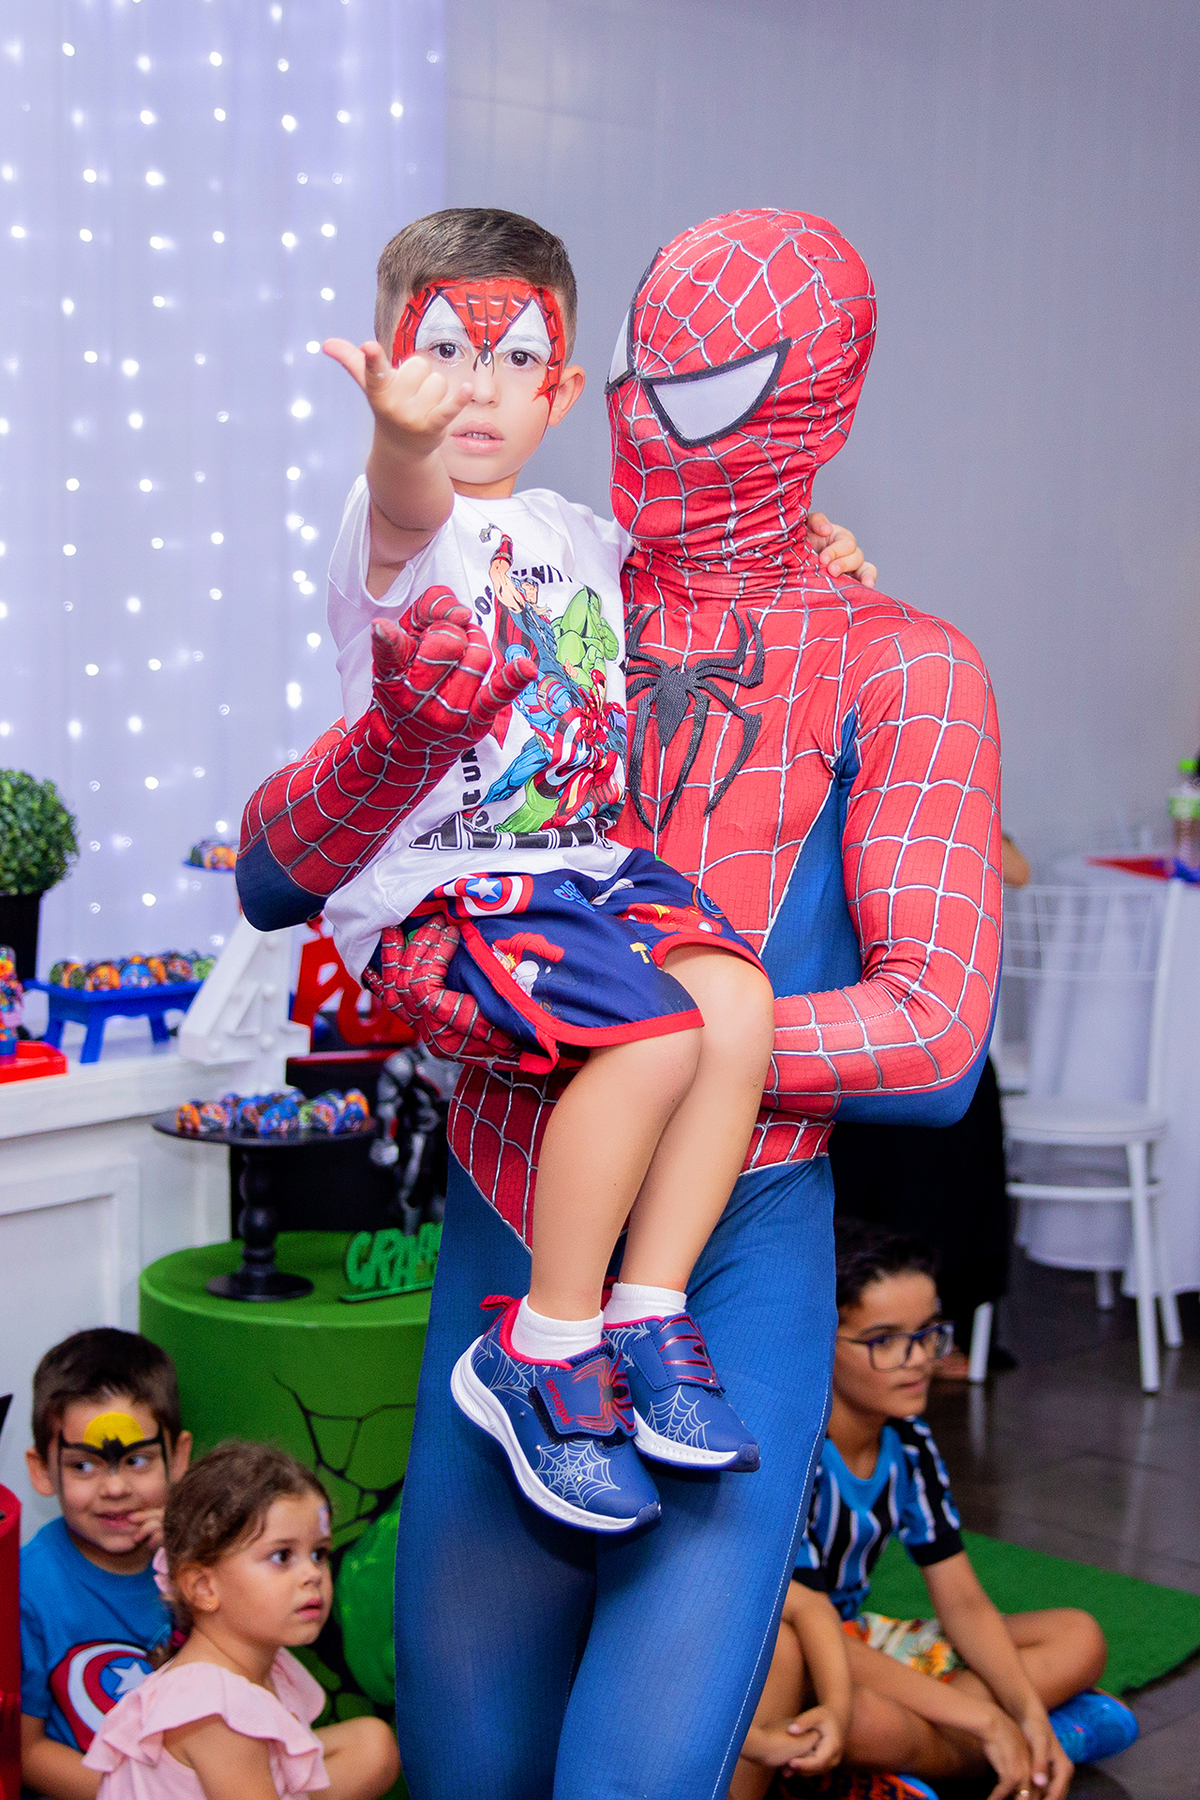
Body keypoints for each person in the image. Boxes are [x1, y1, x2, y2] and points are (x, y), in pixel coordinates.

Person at [238, 208, 1002, 1800]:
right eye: (645, 378)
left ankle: (612, 1313)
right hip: (504, 1242)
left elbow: (931, 1040)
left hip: (736, 1261)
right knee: (469, 1761)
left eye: (707, 392)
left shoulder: (899, 659)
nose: (654, 420)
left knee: (634, 1775)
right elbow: (272, 864)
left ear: (809, 404)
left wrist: (609, 1036)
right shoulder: (549, 559)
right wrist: (399, 761)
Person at [308, 209, 791, 1528]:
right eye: (444, 350)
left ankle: (647, 1312)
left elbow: (713, 570)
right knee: (648, 1042)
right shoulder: (390, 527)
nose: (476, 385)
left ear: (562, 387)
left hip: (583, 866)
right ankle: (541, 1345)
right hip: (447, 885)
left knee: (733, 1012)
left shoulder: (582, 535)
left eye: (514, 357)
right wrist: (398, 441)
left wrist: (833, 553)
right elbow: (408, 507)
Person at [730, 1220, 1137, 1800]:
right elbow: (810, 1627)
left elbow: (963, 1600)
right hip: (803, 1660)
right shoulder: (793, 1457)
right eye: (885, 1339)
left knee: (1078, 1636)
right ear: (817, 1341)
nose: (918, 1358)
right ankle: (1026, 1745)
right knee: (862, 1717)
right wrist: (984, 1718)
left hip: (865, 1639)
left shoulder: (910, 1442)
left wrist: (1020, 1710)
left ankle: (969, 1753)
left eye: (927, 1333)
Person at [82, 1441, 399, 1800]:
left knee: (374, 1743)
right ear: (203, 1587)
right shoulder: (216, 1712)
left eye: (319, 1553)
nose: (313, 1573)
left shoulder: (255, 1665)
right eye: (282, 1556)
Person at [829, 833, 1032, 1378]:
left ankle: (934, 1321)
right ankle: (854, 1321)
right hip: (851, 1011)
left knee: (958, 1089)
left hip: (925, 1012)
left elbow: (1017, 869)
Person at [20, 1329, 193, 1800]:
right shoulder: (27, 1587)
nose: (114, 1488)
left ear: (177, 1457)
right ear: (42, 1470)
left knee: (372, 1747)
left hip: (209, 1771)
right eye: (84, 1466)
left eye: (136, 1460)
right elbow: (27, 1754)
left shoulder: (204, 1560)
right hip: (106, 1790)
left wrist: (186, 1568)